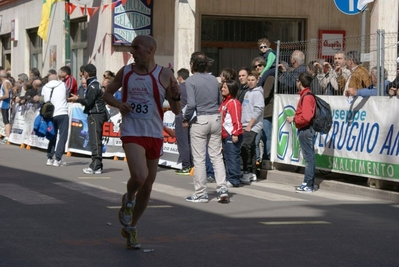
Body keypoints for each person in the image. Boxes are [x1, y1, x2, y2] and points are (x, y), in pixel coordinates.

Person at [103, 35, 181, 249]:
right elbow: (107, 94)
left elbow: (176, 110)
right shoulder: (126, 72)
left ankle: (131, 227)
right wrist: (119, 103)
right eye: (132, 48)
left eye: (136, 48)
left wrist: (175, 96)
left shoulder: (164, 74)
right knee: (139, 176)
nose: (132, 52)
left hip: (154, 133)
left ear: (150, 50)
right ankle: (128, 198)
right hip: (132, 130)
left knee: (147, 187)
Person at [183, 51, 229, 204]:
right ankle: (222, 188)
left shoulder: (191, 81)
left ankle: (201, 193)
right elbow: (218, 100)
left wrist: (185, 118)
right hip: (215, 118)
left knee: (199, 158)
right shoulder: (213, 79)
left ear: (192, 65)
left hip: (200, 119)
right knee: (216, 156)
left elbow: (191, 104)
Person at [68, 64, 108, 174]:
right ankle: (97, 165)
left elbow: (88, 102)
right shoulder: (93, 84)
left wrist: (78, 99)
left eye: (84, 72)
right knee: (95, 140)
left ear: (87, 73)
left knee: (95, 140)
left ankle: (95, 166)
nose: (82, 74)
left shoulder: (94, 85)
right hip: (95, 114)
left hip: (96, 114)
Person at [286, 73, 316, 193]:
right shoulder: (306, 95)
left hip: (306, 129)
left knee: (309, 159)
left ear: (300, 82)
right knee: (309, 158)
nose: (296, 83)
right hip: (305, 129)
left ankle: (308, 184)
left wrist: (294, 119)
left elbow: (307, 117)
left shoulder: (307, 97)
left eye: (297, 81)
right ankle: (309, 183)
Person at [38, 74, 70, 166]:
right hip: (62, 112)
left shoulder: (45, 87)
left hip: (51, 114)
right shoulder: (62, 84)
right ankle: (58, 158)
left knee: (52, 135)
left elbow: (43, 99)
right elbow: (66, 95)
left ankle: (49, 157)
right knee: (63, 136)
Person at [240, 71, 264, 184]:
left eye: (252, 80)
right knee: (251, 148)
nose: (250, 82)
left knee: (245, 147)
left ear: (257, 80)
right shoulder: (248, 92)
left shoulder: (258, 93)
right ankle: (252, 172)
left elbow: (258, 110)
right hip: (244, 124)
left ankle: (247, 171)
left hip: (252, 126)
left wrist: (250, 125)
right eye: (248, 80)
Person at [219, 80, 242, 187]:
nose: (222, 89)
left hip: (231, 134)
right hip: (224, 134)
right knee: (227, 157)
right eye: (222, 87)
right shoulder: (225, 103)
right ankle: (229, 177)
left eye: (225, 87)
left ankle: (234, 179)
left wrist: (236, 133)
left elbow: (236, 119)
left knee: (232, 157)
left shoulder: (233, 103)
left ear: (231, 89)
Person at [174, 68, 193, 175]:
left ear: (180, 78)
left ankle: (186, 166)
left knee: (183, 142)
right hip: (191, 116)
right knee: (190, 142)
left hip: (181, 116)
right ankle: (192, 164)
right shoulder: (191, 87)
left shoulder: (179, 88)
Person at [0, 69, 12, 144]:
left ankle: (7, 137)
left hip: (5, 103)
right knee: (5, 120)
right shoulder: (7, 82)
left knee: (6, 120)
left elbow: (7, 95)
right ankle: (6, 135)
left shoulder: (5, 83)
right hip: (5, 103)